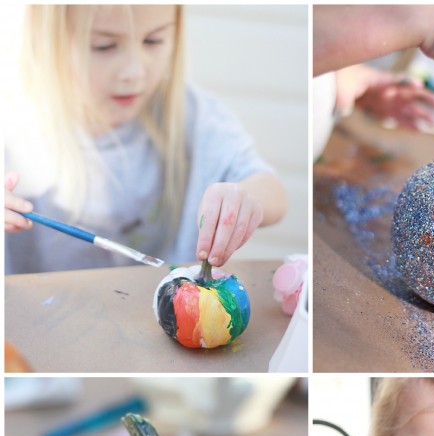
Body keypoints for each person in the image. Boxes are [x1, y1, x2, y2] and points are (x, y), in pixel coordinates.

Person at [4, 5, 287, 273]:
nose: (134, 72)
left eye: (153, 40)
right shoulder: (11, 124)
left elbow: (272, 191)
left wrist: (244, 200)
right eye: (104, 46)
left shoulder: (193, 116)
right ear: (45, 39)